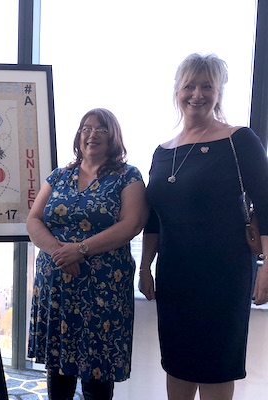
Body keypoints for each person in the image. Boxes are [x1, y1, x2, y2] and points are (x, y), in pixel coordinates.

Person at [139, 53, 268, 400]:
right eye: (189, 86)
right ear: (177, 92)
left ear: (218, 92)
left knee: (216, 367)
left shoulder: (239, 140)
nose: (197, 94)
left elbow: (266, 205)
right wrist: (145, 267)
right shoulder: (162, 151)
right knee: (177, 364)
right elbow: (154, 218)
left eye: (207, 86)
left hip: (224, 276)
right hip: (175, 275)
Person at [26, 108, 148, 400]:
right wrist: (61, 254)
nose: (92, 134)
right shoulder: (59, 175)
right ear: (79, 135)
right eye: (86, 128)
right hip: (57, 283)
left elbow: (131, 224)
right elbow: (33, 220)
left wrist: (80, 250)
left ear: (113, 136)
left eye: (101, 129)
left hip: (102, 288)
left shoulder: (127, 176)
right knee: (58, 368)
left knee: (97, 369)